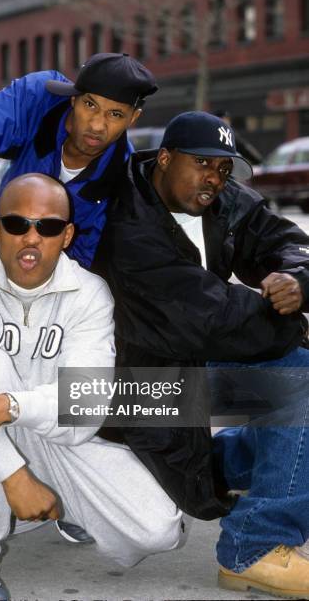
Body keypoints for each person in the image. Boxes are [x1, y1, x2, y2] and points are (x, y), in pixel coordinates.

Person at [0, 174, 185, 601]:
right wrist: (15, 475)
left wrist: (10, 406)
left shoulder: (88, 294)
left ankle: (43, 505)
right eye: (17, 224)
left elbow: (83, 410)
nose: (31, 238)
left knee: (156, 529)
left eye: (48, 227)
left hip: (34, 427)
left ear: (67, 235)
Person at [94, 111, 309, 599]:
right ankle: (253, 550)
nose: (214, 178)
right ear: (165, 158)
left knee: (298, 382)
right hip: (116, 385)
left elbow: (285, 242)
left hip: (183, 366)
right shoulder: (128, 219)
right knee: (299, 380)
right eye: (202, 164)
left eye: (224, 168)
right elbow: (206, 315)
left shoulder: (218, 198)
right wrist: (294, 324)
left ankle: (257, 521)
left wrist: (296, 281)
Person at [0, 52, 157, 268]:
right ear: (73, 98)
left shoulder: (126, 182)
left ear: (133, 118)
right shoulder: (38, 100)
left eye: (115, 114)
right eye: (90, 104)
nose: (97, 125)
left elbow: (92, 267)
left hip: (59, 291)